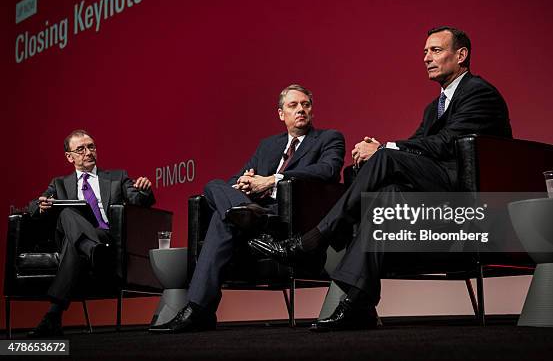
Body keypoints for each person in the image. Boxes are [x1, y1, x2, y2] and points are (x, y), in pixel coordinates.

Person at [249, 26, 513, 331]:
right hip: (435, 186)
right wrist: (382, 150)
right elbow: (418, 146)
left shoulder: (479, 93)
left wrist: (384, 148)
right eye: (425, 52)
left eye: (436, 51)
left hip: (466, 192)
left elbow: (448, 143)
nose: (426, 58)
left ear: (462, 55)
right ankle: (360, 302)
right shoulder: (434, 106)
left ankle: (316, 239)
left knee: (385, 158)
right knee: (382, 198)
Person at [150, 84, 345, 333]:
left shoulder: (329, 138)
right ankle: (245, 213)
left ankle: (199, 309)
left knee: (224, 220)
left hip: (287, 216)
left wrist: (272, 179)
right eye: (293, 105)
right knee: (215, 186)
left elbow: (328, 170)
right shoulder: (268, 145)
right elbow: (239, 176)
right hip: (256, 208)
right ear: (280, 113)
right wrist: (243, 184)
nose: (301, 110)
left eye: (306, 105)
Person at [27, 129, 155, 337]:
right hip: (90, 241)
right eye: (81, 149)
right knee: (67, 212)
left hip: (106, 236)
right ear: (69, 157)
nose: (88, 152)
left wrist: (145, 190)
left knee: (73, 244)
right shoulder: (59, 184)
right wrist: (40, 206)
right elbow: (33, 205)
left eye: (91, 147)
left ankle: (53, 315)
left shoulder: (117, 177)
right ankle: (93, 250)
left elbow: (138, 201)